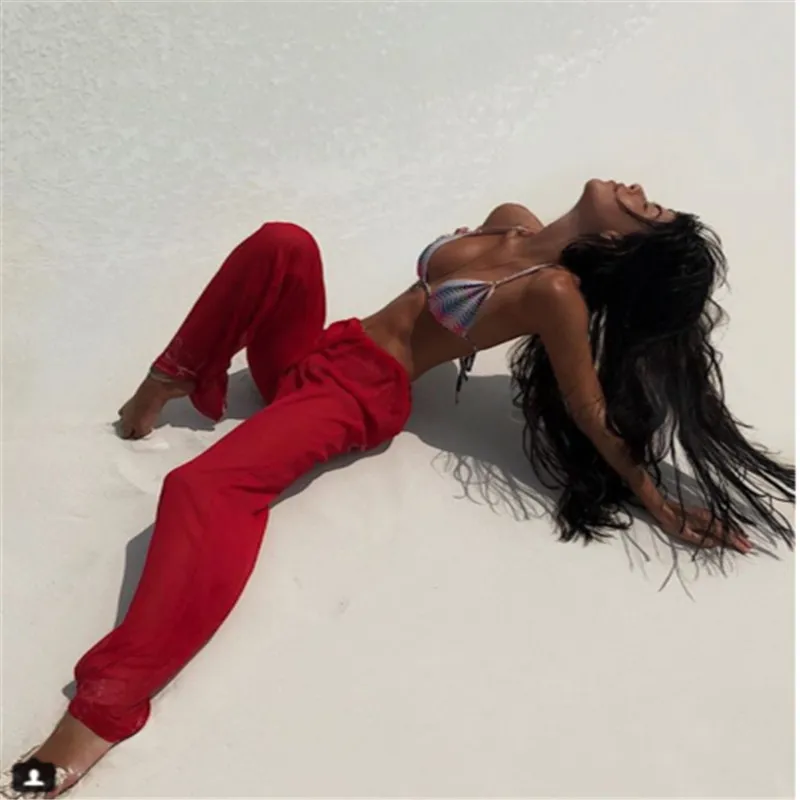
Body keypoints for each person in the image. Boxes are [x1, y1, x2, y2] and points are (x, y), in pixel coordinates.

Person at [2, 179, 794, 798]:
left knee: (202, 490)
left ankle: (101, 714)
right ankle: (173, 376)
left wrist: (655, 497)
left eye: (646, 210)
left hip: (357, 393)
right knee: (283, 243)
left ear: (619, 242)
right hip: (325, 349)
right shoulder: (511, 222)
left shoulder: (554, 292)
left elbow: (588, 410)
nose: (637, 189)